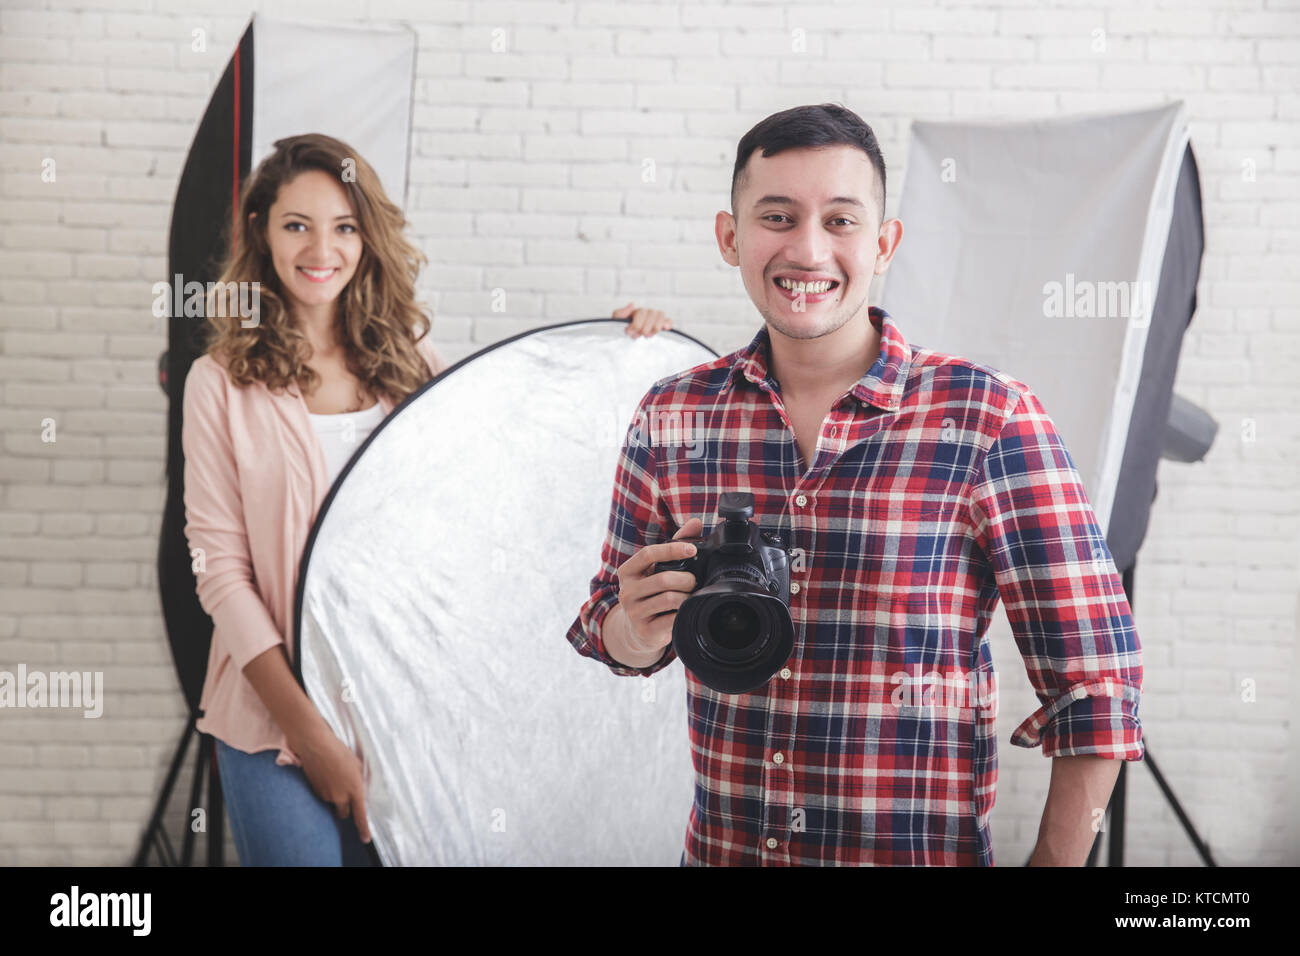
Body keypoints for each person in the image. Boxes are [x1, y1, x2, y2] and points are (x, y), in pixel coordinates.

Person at [565, 104, 1144, 866]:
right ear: (730, 236)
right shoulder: (674, 415)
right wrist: (636, 630)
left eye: (840, 221)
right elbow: (608, 624)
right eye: (777, 216)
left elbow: (1097, 684)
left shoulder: (987, 416)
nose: (807, 250)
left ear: (884, 242)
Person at [182, 132, 674, 866]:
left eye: (344, 226)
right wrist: (311, 734)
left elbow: (508, 483)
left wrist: (613, 356)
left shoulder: (414, 369)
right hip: (271, 719)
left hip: (404, 712)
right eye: (297, 225)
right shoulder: (220, 381)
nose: (323, 248)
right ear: (261, 232)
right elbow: (220, 573)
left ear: (367, 237)